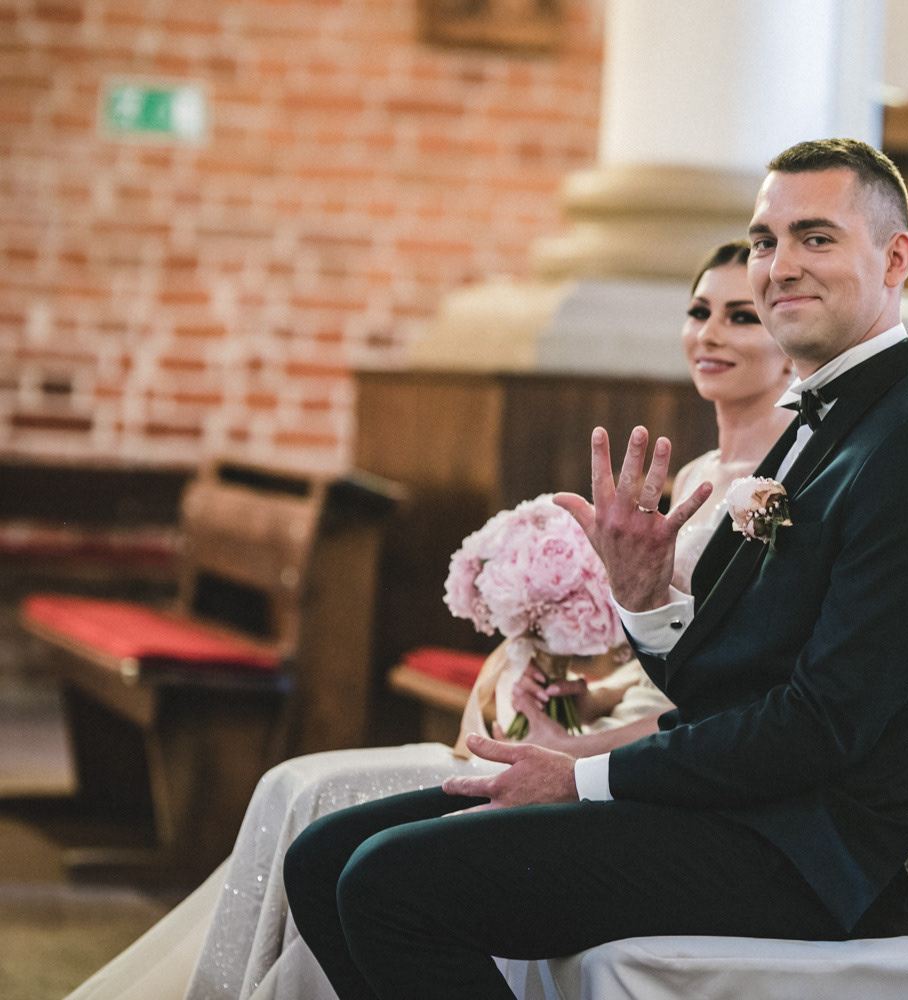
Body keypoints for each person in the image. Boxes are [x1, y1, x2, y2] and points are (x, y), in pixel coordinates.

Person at [280, 138, 908, 1000]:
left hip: (810, 851)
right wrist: (642, 596)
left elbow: (824, 725)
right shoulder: (823, 424)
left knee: (389, 886)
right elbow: (727, 679)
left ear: (895, 259)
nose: (779, 265)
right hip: (742, 805)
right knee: (321, 857)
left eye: (815, 238)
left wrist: (582, 778)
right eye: (766, 240)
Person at [62, 241, 795, 1000]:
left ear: (785, 342)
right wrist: (560, 681)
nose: (711, 333)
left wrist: (576, 750)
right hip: (602, 723)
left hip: (657, 754)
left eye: (741, 317)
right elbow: (655, 641)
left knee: (356, 846)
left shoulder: (772, 495)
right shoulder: (693, 474)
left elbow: (726, 686)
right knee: (308, 826)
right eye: (699, 311)